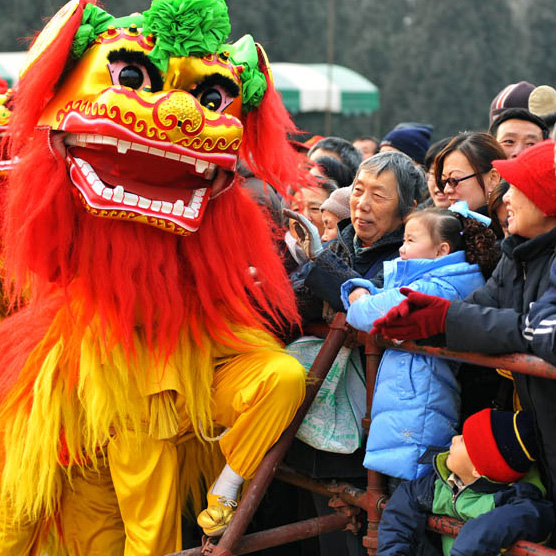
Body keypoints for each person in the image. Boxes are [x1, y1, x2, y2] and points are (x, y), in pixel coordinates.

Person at [371, 139, 556, 544]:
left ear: (546, 203)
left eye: (519, 188)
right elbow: (479, 309)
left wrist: (446, 318)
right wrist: (429, 321)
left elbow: (549, 333)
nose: (506, 198)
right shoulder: (517, 256)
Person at [341, 204, 498, 483]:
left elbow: (372, 312)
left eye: (411, 240)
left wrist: (358, 297)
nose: (402, 249)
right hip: (415, 390)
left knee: (411, 480)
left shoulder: (437, 286)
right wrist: (362, 291)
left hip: (419, 396)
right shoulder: (443, 278)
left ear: (442, 251)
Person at [378, 409, 554, 555]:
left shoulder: (517, 500)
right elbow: (404, 500)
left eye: (463, 440)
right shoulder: (444, 481)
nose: (454, 439)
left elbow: (535, 516)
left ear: (477, 470)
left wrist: (468, 545)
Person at [293, 151, 426, 319]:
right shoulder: (335, 247)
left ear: (407, 210)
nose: (362, 204)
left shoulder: (409, 259)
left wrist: (322, 261)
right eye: (358, 191)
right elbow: (290, 300)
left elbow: (372, 303)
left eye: (377, 195)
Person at [434, 131, 505, 216]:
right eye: (444, 182)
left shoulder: (513, 226)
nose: (446, 190)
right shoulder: (447, 225)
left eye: (454, 180)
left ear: (493, 178)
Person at [421, 137, 452, 209]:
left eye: (447, 176)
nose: (439, 182)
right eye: (433, 174)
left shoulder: (479, 219)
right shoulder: (415, 217)